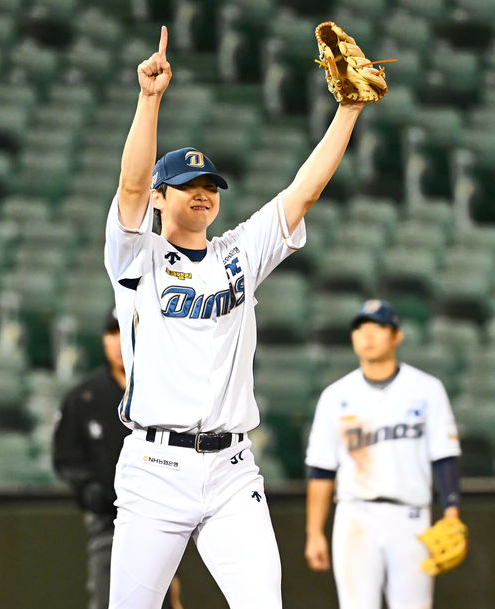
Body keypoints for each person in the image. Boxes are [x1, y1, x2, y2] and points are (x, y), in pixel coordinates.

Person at [103, 24, 364, 609]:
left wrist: (348, 109)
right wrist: (149, 102)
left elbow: (305, 189)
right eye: (187, 185)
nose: (202, 193)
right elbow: (131, 183)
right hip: (154, 466)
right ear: (164, 199)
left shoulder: (237, 252)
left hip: (232, 468)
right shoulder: (136, 256)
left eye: (210, 186)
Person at [304, 299, 464, 609]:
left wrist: (451, 512)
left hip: (412, 516)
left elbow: (444, 456)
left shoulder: (427, 389)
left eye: (378, 328)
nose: (367, 336)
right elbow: (322, 470)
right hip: (355, 515)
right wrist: (314, 532)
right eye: (360, 328)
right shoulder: (335, 396)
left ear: (396, 336)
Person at [52, 308, 182, 609]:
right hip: (107, 518)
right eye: (112, 333)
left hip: (157, 515)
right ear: (103, 340)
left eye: (124, 330)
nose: (118, 340)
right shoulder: (85, 395)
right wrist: (86, 488)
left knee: (158, 599)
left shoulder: (161, 387)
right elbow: (65, 454)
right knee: (110, 595)